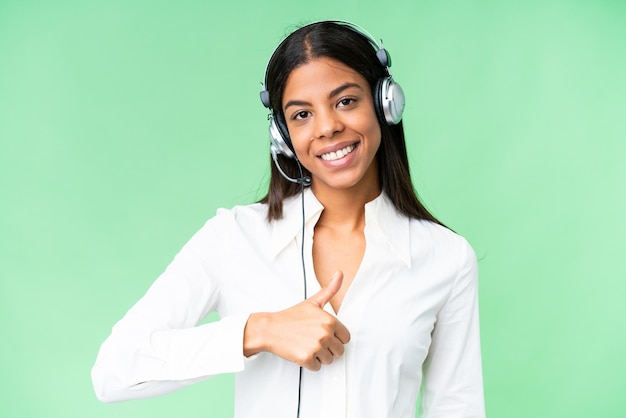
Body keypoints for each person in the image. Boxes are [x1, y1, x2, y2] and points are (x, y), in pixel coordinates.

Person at [92, 20, 485, 418]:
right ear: (282, 134)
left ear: (385, 103)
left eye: (346, 101)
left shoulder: (447, 258)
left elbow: (458, 408)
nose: (328, 127)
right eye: (301, 115)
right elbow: (114, 370)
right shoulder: (233, 238)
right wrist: (257, 331)